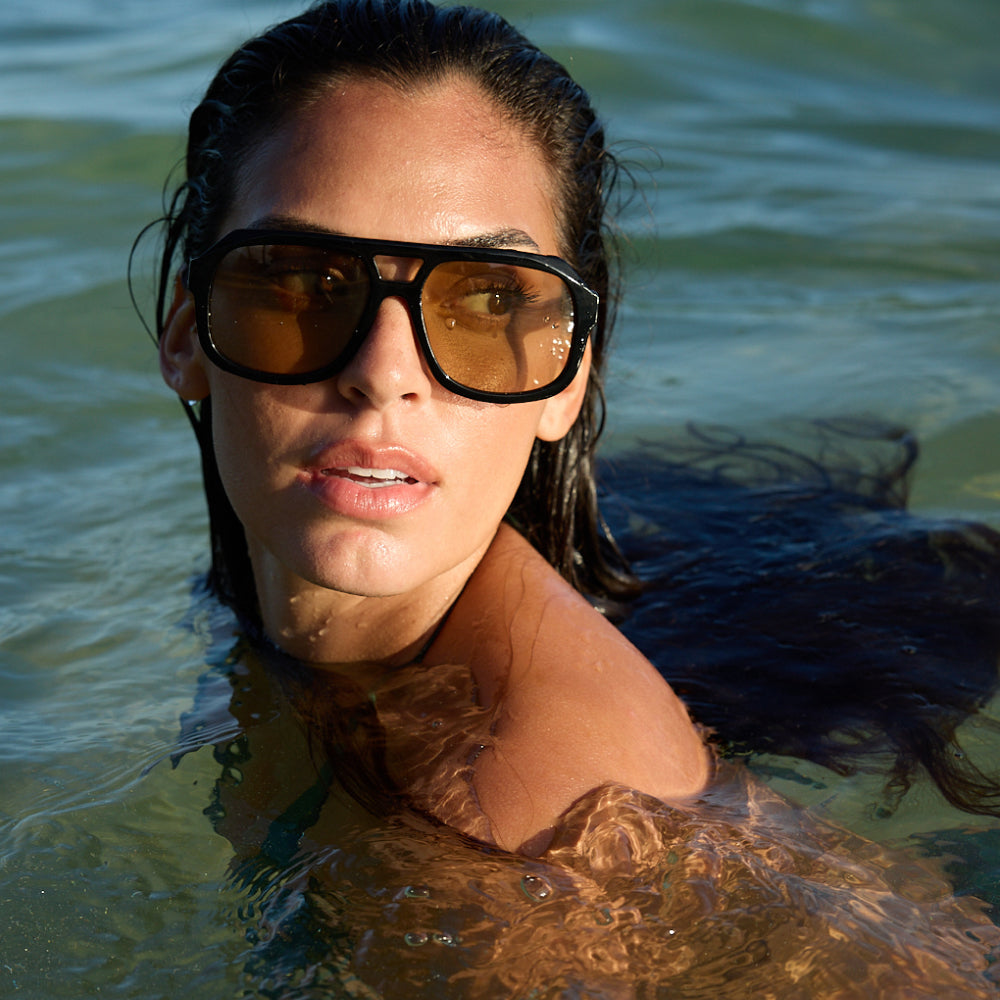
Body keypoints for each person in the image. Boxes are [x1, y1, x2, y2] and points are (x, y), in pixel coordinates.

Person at [154, 0, 709, 858]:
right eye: (302, 283)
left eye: (484, 299)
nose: (383, 372)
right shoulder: (268, 621)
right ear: (189, 334)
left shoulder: (527, 812)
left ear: (569, 377)